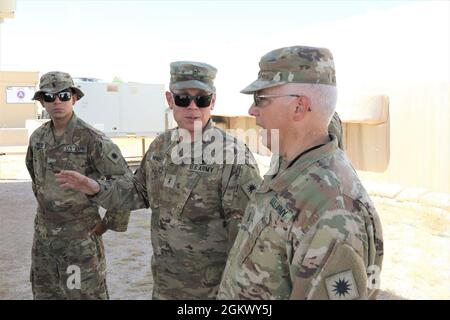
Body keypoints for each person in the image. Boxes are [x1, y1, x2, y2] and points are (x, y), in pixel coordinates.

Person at [55, 61, 263, 299]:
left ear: (213, 101)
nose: (193, 108)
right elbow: (138, 191)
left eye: (202, 99)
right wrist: (95, 188)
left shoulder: (232, 155)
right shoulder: (161, 146)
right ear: (170, 99)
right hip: (165, 285)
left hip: (210, 292)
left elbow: (247, 236)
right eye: (183, 99)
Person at [218, 46, 383, 300]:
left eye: (260, 99)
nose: (252, 110)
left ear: (299, 107)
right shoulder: (291, 165)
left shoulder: (333, 211)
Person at [26, 71, 132, 299]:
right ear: (42, 101)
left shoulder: (92, 139)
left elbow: (124, 184)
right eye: (48, 96)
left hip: (79, 240)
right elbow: (37, 179)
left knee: (83, 294)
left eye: (63, 95)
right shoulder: (38, 138)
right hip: (44, 240)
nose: (56, 101)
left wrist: (109, 222)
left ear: (74, 98)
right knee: (46, 293)